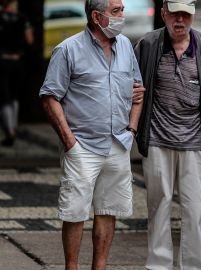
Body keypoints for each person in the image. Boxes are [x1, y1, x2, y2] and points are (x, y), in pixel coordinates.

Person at [39, 0, 144, 269]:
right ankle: (71, 267)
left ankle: (100, 267)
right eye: (116, 11)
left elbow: (138, 93)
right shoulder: (68, 49)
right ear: (97, 16)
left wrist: (131, 129)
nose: (123, 15)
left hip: (118, 143)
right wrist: (69, 142)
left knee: (109, 210)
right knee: (74, 212)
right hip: (82, 146)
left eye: (122, 9)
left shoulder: (125, 49)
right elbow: (50, 97)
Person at [133, 0, 201, 268]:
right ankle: (158, 266)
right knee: (158, 206)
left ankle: (194, 266)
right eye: (174, 14)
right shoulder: (148, 45)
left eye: (185, 15)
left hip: (196, 142)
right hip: (156, 140)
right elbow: (129, 84)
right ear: (163, 13)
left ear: (193, 16)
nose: (180, 21)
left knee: (196, 208)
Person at [0, 0, 33, 146]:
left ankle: (10, 133)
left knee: (4, 98)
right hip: (17, 61)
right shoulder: (23, 19)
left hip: (2, 61)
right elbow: (29, 40)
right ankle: (13, 127)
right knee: (14, 97)